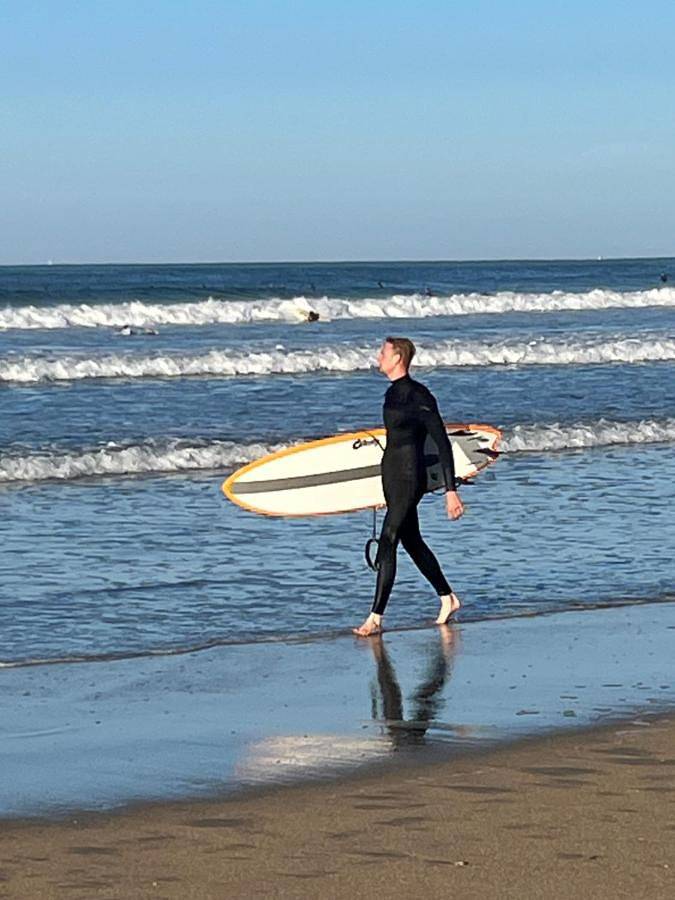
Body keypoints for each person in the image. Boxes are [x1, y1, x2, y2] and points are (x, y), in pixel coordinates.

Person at [353, 337, 464, 637]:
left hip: (410, 477)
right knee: (412, 541)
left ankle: (375, 618)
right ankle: (448, 597)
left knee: (388, 539)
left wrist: (450, 491)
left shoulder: (419, 395)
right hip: (392, 475)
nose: (378, 356)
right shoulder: (391, 394)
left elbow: (441, 442)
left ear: (398, 357)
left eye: (383, 352)